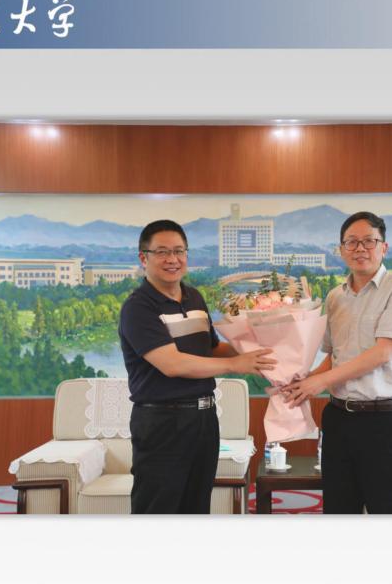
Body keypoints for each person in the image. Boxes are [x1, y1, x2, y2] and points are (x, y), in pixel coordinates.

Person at [118, 220, 275, 514]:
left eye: (179, 251)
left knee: (197, 506)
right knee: (158, 508)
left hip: (204, 419)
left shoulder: (194, 297)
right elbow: (172, 364)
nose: (173, 259)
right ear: (143, 258)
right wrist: (235, 364)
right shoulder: (138, 307)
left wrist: (258, 346)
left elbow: (211, 349)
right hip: (162, 422)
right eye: (162, 252)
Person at [282, 211, 392, 514]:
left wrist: (319, 382)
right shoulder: (335, 297)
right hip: (339, 419)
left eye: (369, 241)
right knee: (338, 509)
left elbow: (382, 353)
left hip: (384, 422)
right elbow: (335, 356)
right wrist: (305, 382)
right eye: (352, 242)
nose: (360, 249)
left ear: (384, 247)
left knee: (387, 511)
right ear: (341, 249)